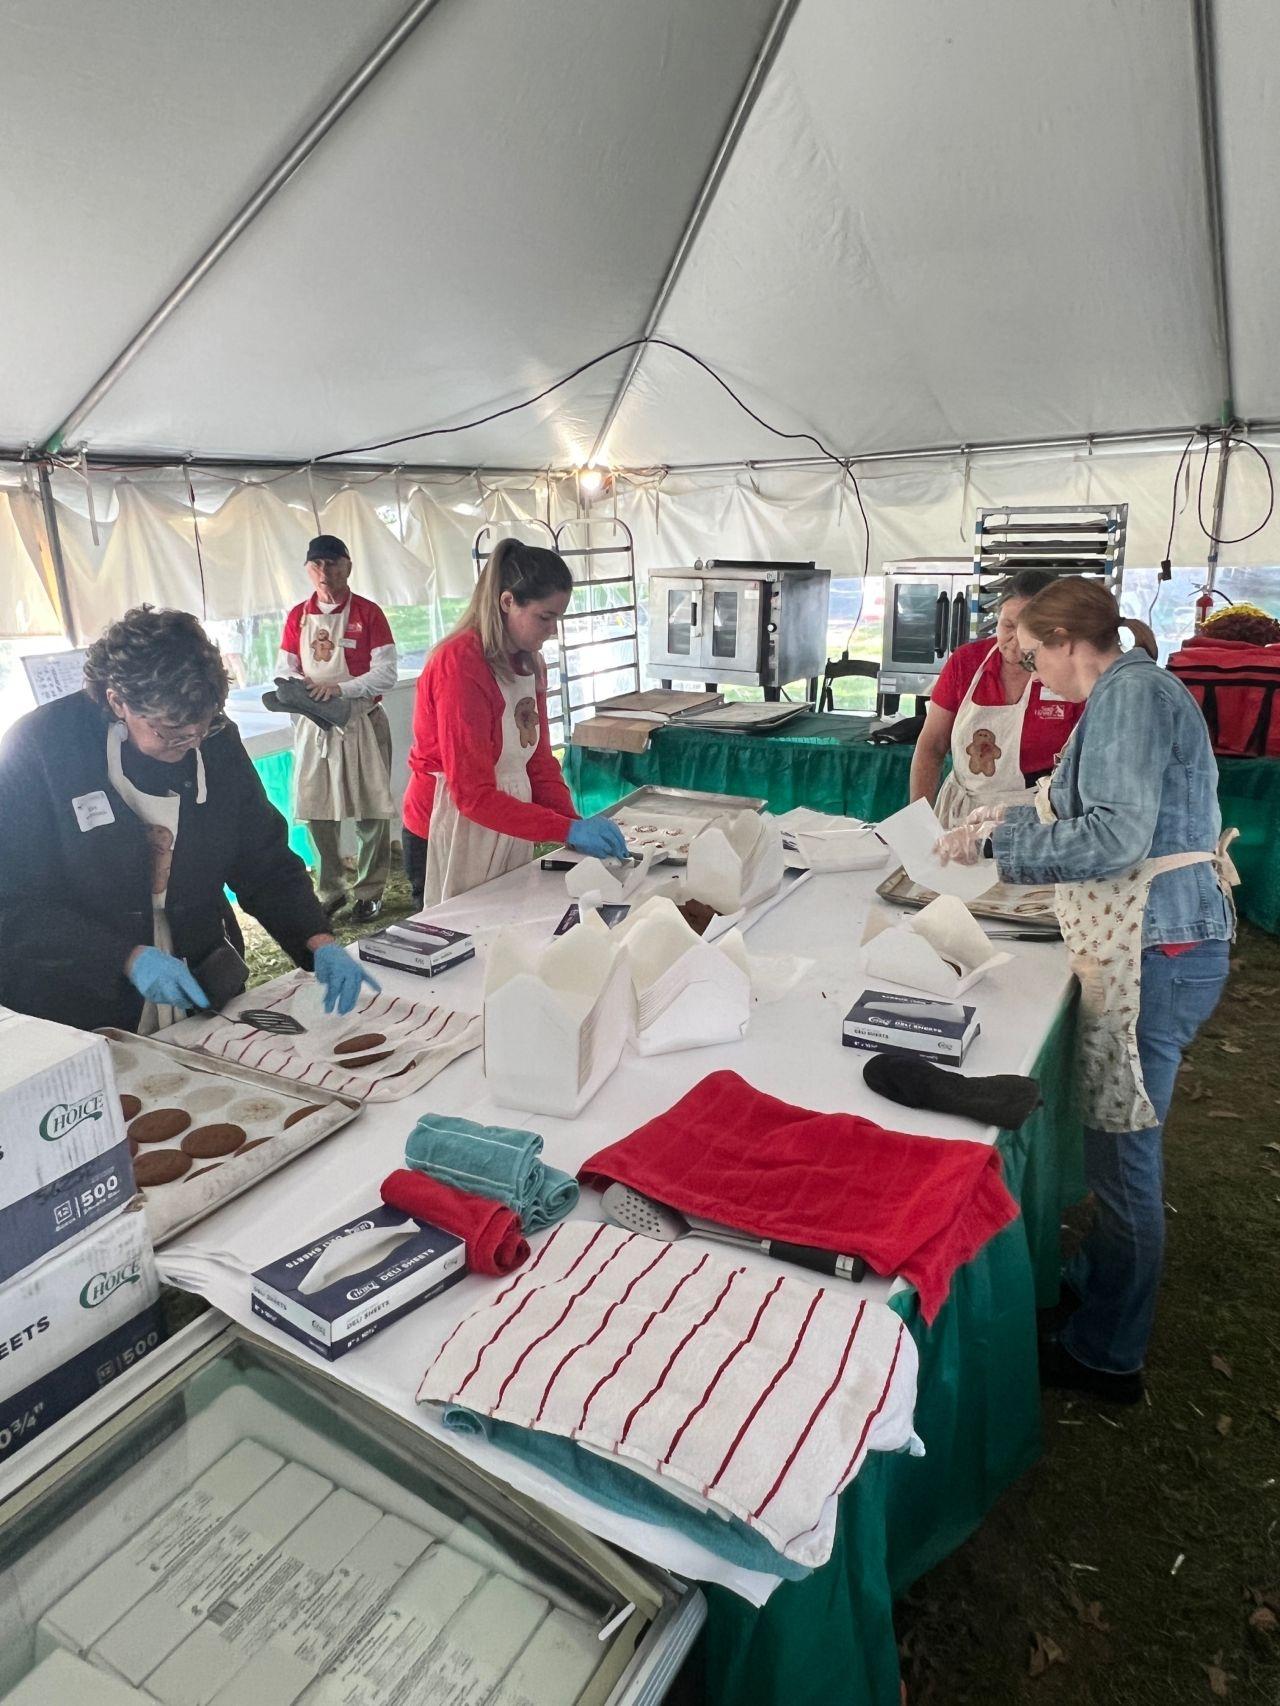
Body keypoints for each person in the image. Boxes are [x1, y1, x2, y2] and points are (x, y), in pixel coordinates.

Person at [936, 578, 1236, 1403]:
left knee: (1124, 1152)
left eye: (1034, 656)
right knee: (1112, 1136)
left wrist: (1008, 852)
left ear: (1069, 638)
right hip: (1150, 940)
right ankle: (1098, 1288)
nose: (1033, 674)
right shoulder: (1124, 692)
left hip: (1157, 946)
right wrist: (1005, 823)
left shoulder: (1130, 695)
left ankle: (1110, 1354)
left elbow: (1115, 834)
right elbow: (1085, 805)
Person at [0, 606, 376, 1034]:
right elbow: (13, 905)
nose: (191, 742)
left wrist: (316, 939)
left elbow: (261, 858)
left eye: (201, 725)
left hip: (198, 976)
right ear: (117, 701)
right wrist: (124, 955)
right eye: (171, 732)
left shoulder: (213, 740)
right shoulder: (40, 751)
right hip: (78, 998)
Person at [403, 537, 628, 906]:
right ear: (508, 602)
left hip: (505, 822)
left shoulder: (528, 661)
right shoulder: (459, 665)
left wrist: (572, 822)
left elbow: (537, 761)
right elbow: (472, 794)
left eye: (558, 618)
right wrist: (565, 829)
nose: (552, 631)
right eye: (545, 617)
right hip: (449, 826)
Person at [277, 535, 398, 923]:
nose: (324, 572)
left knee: (371, 809)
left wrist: (341, 688)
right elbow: (285, 667)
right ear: (308, 570)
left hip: (362, 719)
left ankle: (370, 888)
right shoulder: (298, 616)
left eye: (332, 563)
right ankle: (330, 888)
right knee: (317, 810)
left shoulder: (368, 613)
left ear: (347, 565)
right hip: (316, 725)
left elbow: (386, 673)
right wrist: (302, 690)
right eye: (317, 565)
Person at [910, 569, 1084, 827]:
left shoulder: (1067, 674)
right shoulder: (967, 662)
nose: (1015, 640)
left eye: (1029, 629)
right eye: (1008, 626)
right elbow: (932, 745)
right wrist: (918, 821)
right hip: (962, 813)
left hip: (1037, 817)